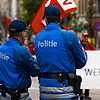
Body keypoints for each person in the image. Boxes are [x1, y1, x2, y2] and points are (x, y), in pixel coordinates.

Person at [35, 5, 87, 100]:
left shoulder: (38, 37)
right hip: (65, 92)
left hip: (44, 92)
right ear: (60, 19)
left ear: (45, 20)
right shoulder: (69, 35)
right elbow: (82, 61)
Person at [0, 20, 38, 100]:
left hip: (3, 95)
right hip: (19, 96)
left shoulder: (1, 48)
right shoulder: (21, 50)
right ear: (22, 33)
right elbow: (35, 71)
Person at [80, 32, 96, 99]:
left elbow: (94, 53)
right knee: (80, 79)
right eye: (84, 36)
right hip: (81, 66)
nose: (86, 38)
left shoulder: (90, 46)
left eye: (87, 36)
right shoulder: (79, 44)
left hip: (88, 66)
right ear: (82, 37)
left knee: (88, 79)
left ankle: (86, 94)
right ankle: (80, 93)